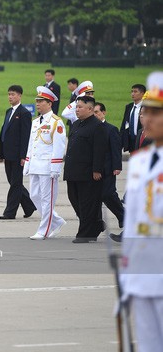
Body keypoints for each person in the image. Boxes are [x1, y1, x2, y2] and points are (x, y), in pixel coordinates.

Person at [118, 71, 163, 352]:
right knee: (147, 344)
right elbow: (133, 220)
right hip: (142, 271)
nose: (148, 119)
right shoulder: (139, 163)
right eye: (146, 112)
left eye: (156, 113)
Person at [23, 86, 67, 240]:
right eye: (37, 101)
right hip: (35, 164)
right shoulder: (36, 122)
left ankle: (44, 230)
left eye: (41, 101)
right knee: (34, 196)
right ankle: (56, 221)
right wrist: (27, 163)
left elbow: (59, 147)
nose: (37, 104)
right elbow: (31, 144)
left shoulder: (56, 122)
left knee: (47, 200)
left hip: (48, 167)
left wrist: (55, 168)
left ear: (49, 103)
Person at [64, 96, 108, 243]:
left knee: (86, 204)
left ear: (90, 109)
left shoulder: (97, 126)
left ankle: (84, 234)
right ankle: (95, 225)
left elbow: (99, 150)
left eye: (80, 107)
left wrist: (97, 170)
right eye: (76, 107)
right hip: (73, 171)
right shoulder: (76, 125)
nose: (77, 109)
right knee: (74, 199)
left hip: (88, 173)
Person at [0, 85, 36, 220]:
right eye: (9, 94)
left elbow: (25, 137)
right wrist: (1, 153)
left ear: (20, 96)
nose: (10, 97)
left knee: (15, 184)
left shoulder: (24, 113)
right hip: (8, 154)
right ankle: (29, 206)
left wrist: (23, 156)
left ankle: (10, 212)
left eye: (13, 94)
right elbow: (4, 132)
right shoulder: (8, 111)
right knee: (14, 182)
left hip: (17, 155)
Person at [93, 102, 124, 228]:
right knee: (95, 197)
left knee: (108, 194)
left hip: (108, 169)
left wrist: (117, 166)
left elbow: (116, 149)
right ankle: (98, 223)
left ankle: (123, 216)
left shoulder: (111, 129)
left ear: (103, 113)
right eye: (93, 112)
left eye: (97, 112)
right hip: (93, 169)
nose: (95, 115)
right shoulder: (91, 128)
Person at [120, 83, 146, 153]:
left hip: (141, 139)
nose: (132, 94)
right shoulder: (129, 106)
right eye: (132, 91)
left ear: (142, 94)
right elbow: (125, 123)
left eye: (135, 91)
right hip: (130, 140)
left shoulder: (146, 107)